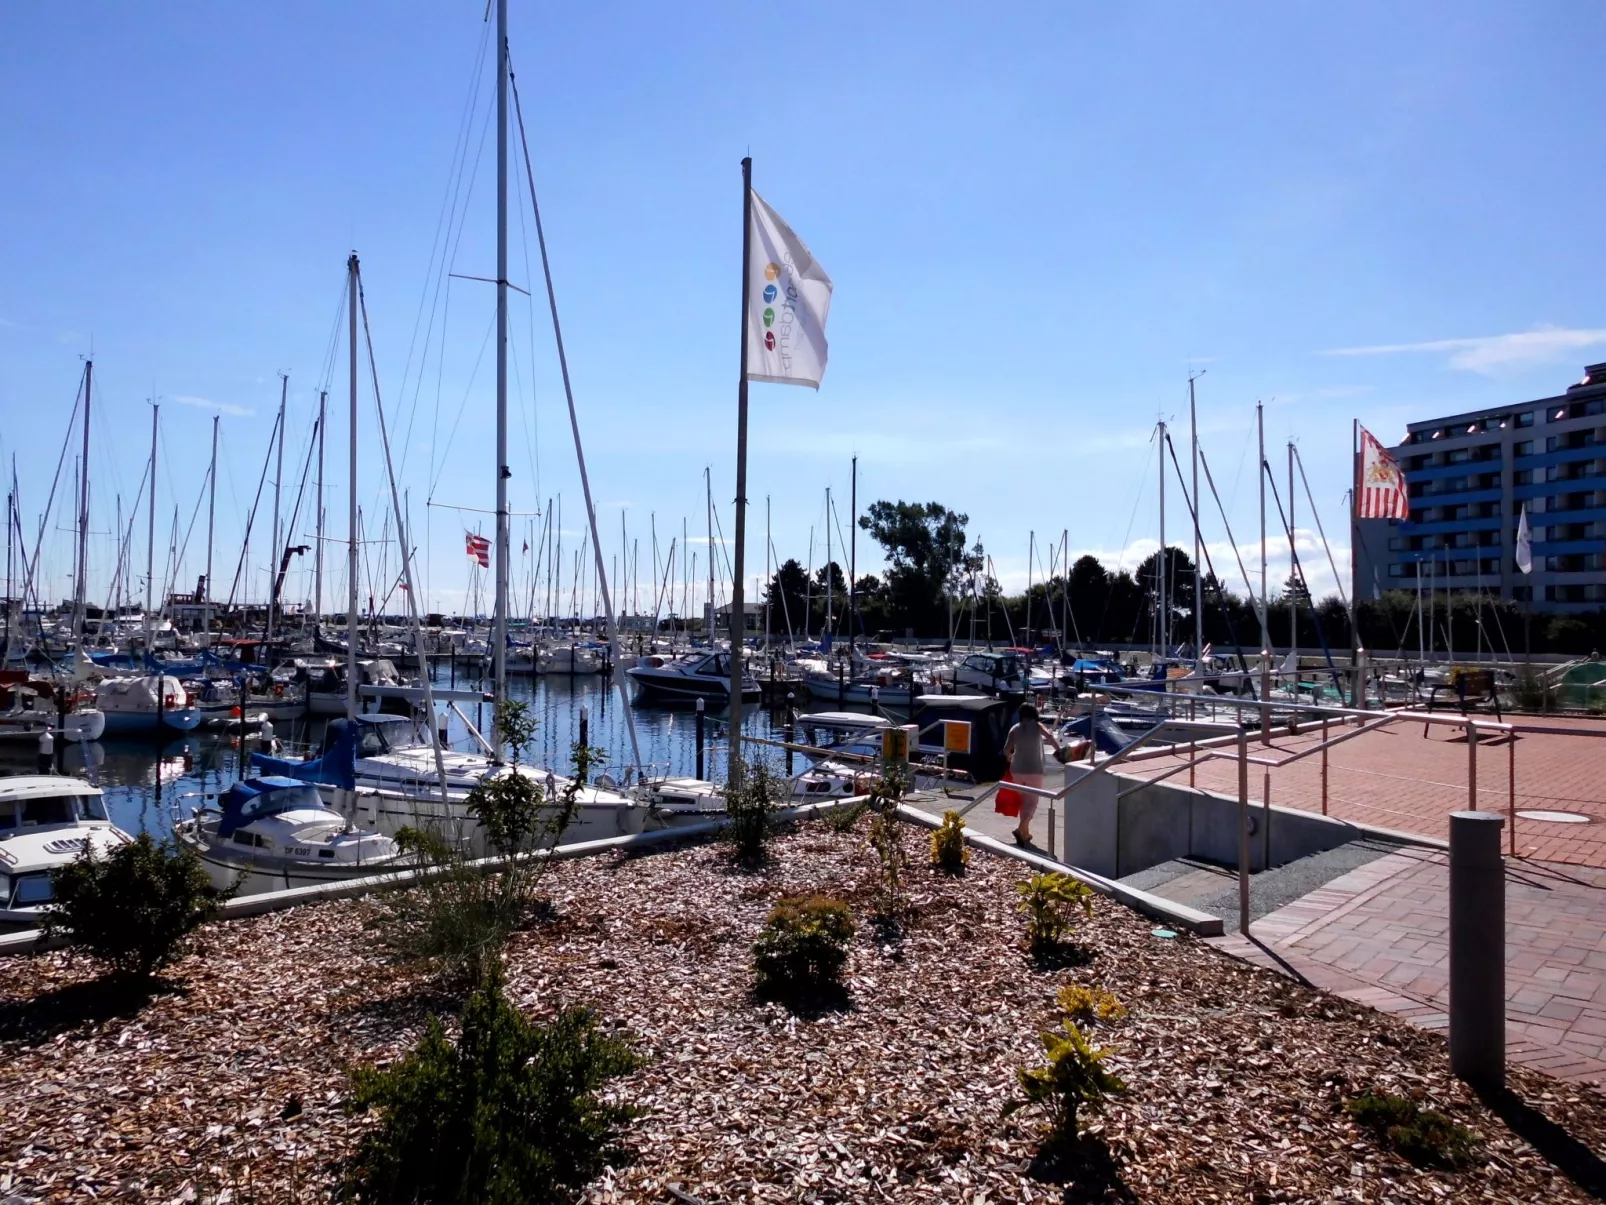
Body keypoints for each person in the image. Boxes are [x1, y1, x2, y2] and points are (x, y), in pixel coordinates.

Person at [1003, 702, 1060, 846]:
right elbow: (1050, 737)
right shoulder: (1038, 726)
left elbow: (1006, 749)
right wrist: (1060, 751)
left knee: (1024, 801)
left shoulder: (1014, 729)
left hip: (1017, 769)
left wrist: (1010, 757)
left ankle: (1025, 833)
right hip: (1034, 769)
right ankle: (1020, 829)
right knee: (1032, 802)